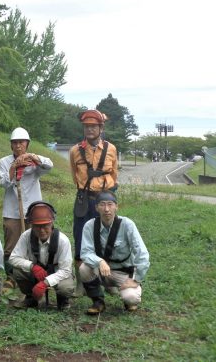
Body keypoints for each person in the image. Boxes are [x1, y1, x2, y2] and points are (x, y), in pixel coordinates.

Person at [69, 109, 118, 296]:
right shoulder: (75, 151)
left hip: (104, 199)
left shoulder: (111, 149)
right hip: (84, 199)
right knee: (81, 238)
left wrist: (106, 194)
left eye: (93, 126)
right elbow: (74, 175)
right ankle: (82, 282)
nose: (89, 129)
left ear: (101, 128)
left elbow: (114, 174)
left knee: (108, 238)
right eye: (86, 126)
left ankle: (108, 279)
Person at [79, 191, 150, 314]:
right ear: (96, 208)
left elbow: (142, 253)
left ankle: (127, 298)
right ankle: (98, 301)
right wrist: (99, 261)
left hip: (123, 272)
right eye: (102, 205)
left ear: (116, 206)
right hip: (102, 270)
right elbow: (85, 252)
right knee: (84, 268)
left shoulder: (127, 224)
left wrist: (136, 280)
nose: (106, 209)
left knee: (131, 298)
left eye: (110, 204)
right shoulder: (89, 226)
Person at [0, 127, 53, 279]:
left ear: (27, 144)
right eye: (14, 143)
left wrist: (34, 157)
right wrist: (14, 166)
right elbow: (3, 183)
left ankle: (36, 275)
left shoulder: (34, 161)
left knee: (35, 242)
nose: (18, 146)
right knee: (10, 246)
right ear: (11, 145)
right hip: (12, 210)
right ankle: (10, 278)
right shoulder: (4, 162)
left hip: (34, 210)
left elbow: (49, 166)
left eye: (21, 142)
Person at [9, 201, 74, 310]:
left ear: (52, 223)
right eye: (37, 226)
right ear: (31, 225)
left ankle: (63, 300)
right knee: (18, 271)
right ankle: (31, 297)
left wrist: (45, 283)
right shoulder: (26, 236)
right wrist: (32, 267)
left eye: (45, 226)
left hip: (57, 272)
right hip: (36, 271)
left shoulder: (63, 240)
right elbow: (13, 258)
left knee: (65, 287)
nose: (42, 230)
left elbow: (66, 270)